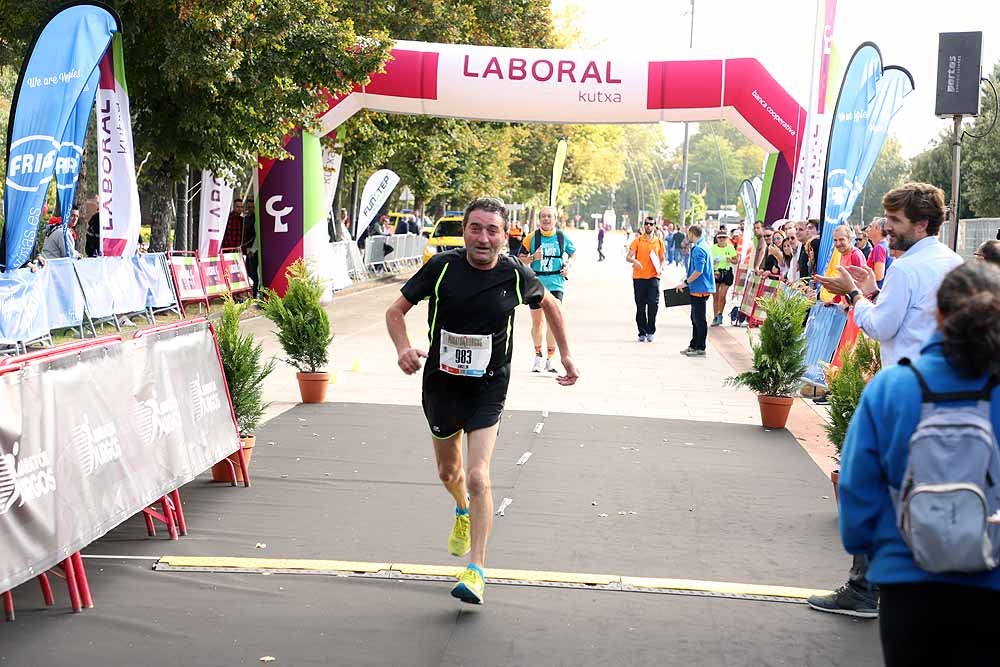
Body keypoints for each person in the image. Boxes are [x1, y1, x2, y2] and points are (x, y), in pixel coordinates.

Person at [385, 196, 579, 606]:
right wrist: (403, 348)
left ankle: (476, 570)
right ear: (466, 231)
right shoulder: (442, 268)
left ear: (504, 237)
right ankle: (460, 509)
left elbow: (552, 306)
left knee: (478, 476)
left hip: (489, 387)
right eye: (476, 228)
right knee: (448, 472)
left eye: (493, 230)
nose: (484, 238)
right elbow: (395, 311)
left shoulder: (513, 273)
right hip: (441, 385)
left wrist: (565, 354)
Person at [811, 182, 963, 617]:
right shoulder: (951, 263)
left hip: (904, 396)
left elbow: (880, 326)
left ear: (921, 223)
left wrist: (857, 295)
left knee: (878, 489)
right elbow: (913, 317)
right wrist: (874, 289)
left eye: (895, 221)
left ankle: (864, 591)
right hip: (941, 393)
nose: (886, 229)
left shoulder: (908, 268)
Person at [838, 261, 1000, 666]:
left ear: (938, 315)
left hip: (907, 573)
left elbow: (858, 483)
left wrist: (869, 546)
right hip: (992, 574)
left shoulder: (893, 387)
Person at [519, 206, 576, 373]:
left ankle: (550, 359)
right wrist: (532, 258)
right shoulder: (532, 238)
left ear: (555, 219)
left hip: (556, 283)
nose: (546, 219)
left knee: (553, 322)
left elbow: (573, 254)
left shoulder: (561, 237)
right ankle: (538, 355)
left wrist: (568, 265)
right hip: (536, 282)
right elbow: (520, 259)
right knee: (538, 323)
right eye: (543, 216)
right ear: (539, 219)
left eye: (549, 216)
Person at [674, 224, 715, 357]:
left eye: (688, 234)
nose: (687, 236)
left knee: (699, 319)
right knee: (695, 318)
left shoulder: (699, 249)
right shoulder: (701, 246)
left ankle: (700, 347)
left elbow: (699, 271)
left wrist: (686, 283)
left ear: (692, 233)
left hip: (700, 288)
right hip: (698, 287)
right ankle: (694, 345)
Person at [626, 216, 665, 342]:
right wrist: (634, 261)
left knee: (653, 304)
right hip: (639, 277)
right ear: (644, 226)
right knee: (641, 306)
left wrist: (662, 267)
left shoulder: (659, 242)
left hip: (654, 276)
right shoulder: (638, 241)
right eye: (646, 224)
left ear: (654, 226)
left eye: (651, 224)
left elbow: (662, 258)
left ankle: (650, 330)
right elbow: (628, 257)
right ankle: (642, 332)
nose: (648, 226)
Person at [710, 231, 738, 326]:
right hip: (716, 273)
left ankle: (720, 314)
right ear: (717, 238)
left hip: (726, 273)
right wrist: (712, 263)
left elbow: (736, 261)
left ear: (727, 238)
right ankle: (715, 317)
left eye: (723, 237)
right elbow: (708, 261)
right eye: (720, 237)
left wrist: (730, 259)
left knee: (722, 296)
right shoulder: (713, 248)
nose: (721, 239)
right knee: (715, 297)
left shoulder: (730, 248)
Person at [865, 217, 892, 288]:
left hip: (878, 291)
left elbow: (879, 276)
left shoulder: (879, 248)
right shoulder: (886, 245)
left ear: (878, 229)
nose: (867, 229)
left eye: (870, 227)